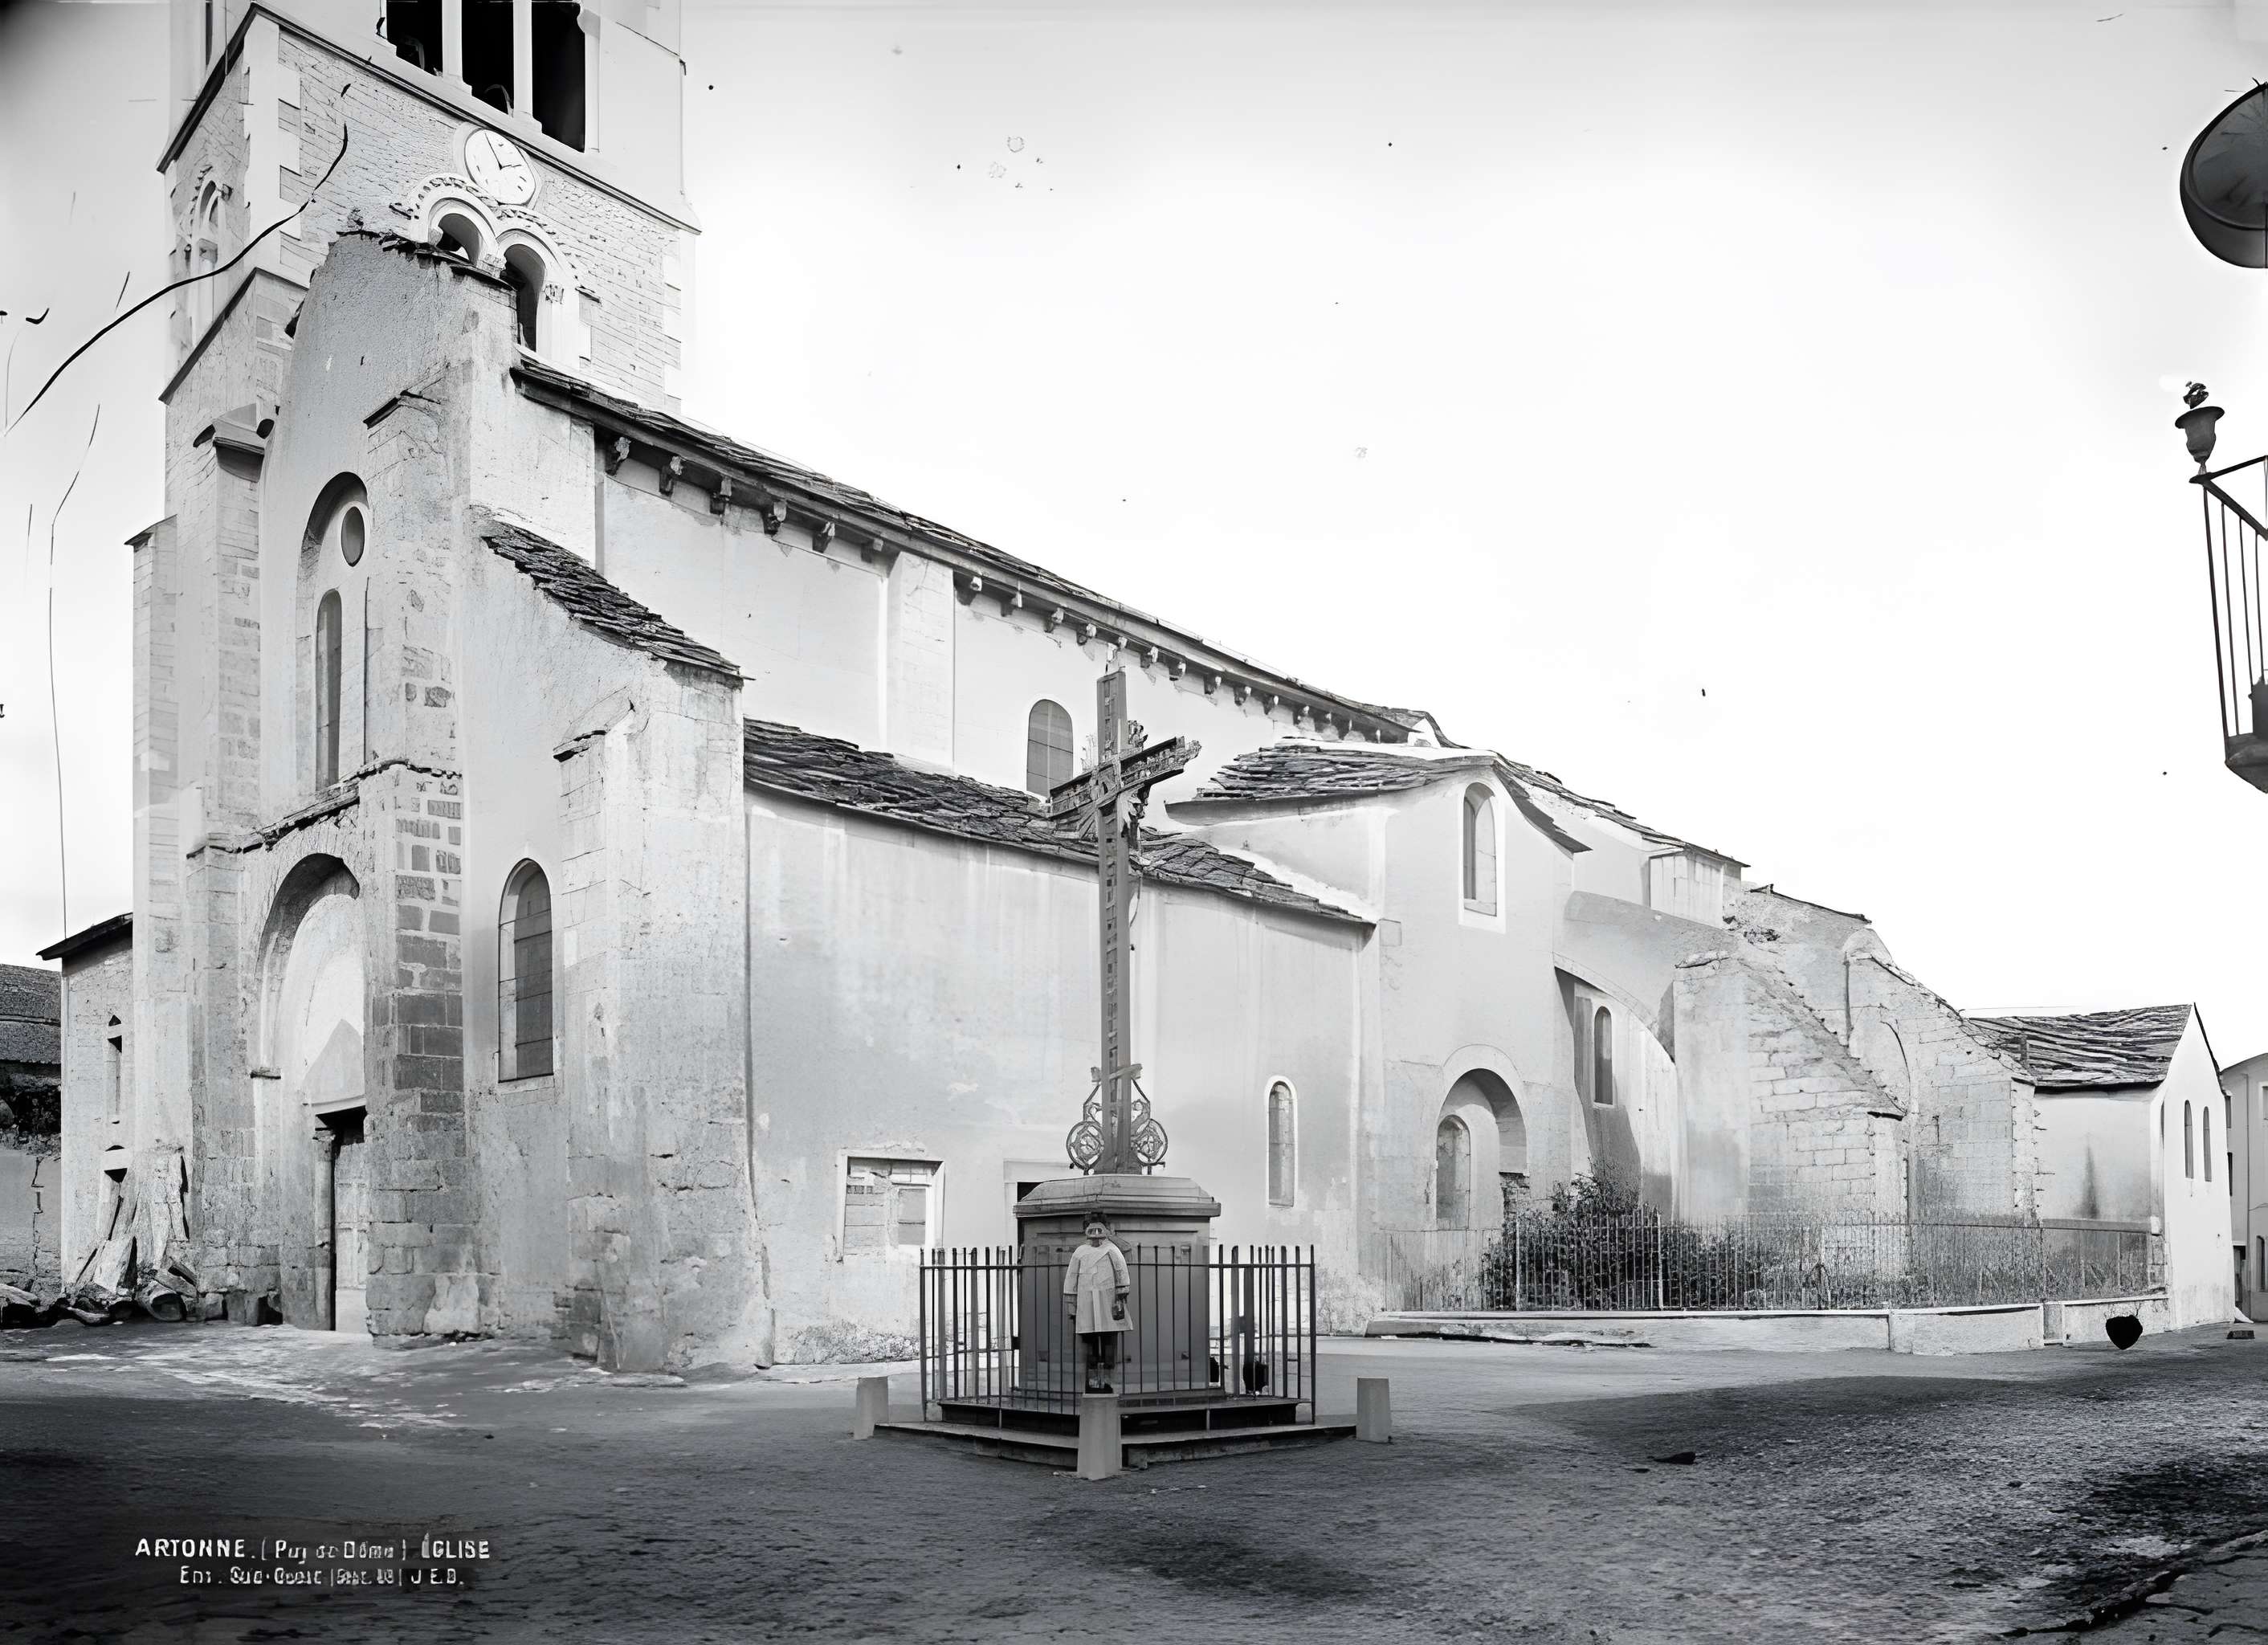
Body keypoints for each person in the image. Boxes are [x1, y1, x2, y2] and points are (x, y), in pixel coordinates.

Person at [1063, 1214, 1132, 1393]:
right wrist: (1071, 1302)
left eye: (1099, 1229)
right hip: (1086, 1302)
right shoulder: (1080, 1252)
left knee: (1109, 1344)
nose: (1095, 1234)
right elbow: (1072, 1277)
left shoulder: (1112, 1250)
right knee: (1091, 1345)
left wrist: (1122, 1291)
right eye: (1091, 1230)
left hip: (1108, 1301)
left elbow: (1121, 1270)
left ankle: (1108, 1381)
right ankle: (1093, 1381)